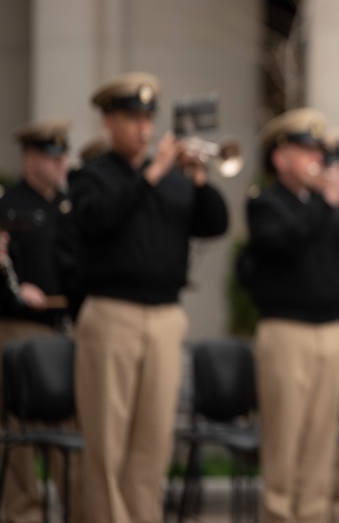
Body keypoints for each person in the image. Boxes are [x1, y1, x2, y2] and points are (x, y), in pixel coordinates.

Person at [70, 72, 229, 523]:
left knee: (152, 442)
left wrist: (198, 181)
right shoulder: (92, 177)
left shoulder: (176, 180)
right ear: (108, 121)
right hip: (111, 314)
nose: (143, 128)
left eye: (147, 118)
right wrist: (153, 172)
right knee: (105, 443)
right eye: (132, 118)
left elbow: (215, 224)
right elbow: (100, 220)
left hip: (165, 316)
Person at [244, 108, 339, 523]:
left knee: (323, 442)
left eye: (318, 151)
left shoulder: (330, 206)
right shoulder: (266, 203)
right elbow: (282, 244)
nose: (316, 159)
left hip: (331, 331)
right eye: (305, 150)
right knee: (285, 441)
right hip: (286, 331)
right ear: (280, 157)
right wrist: (328, 202)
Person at [0, 119, 74, 522]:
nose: (60, 161)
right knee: (20, 429)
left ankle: (78, 509)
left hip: (62, 329)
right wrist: (17, 290)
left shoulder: (67, 206)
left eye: (62, 154)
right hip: (19, 327)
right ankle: (23, 513)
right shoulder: (8, 205)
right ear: (30, 158)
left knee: (71, 428)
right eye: (51, 154)